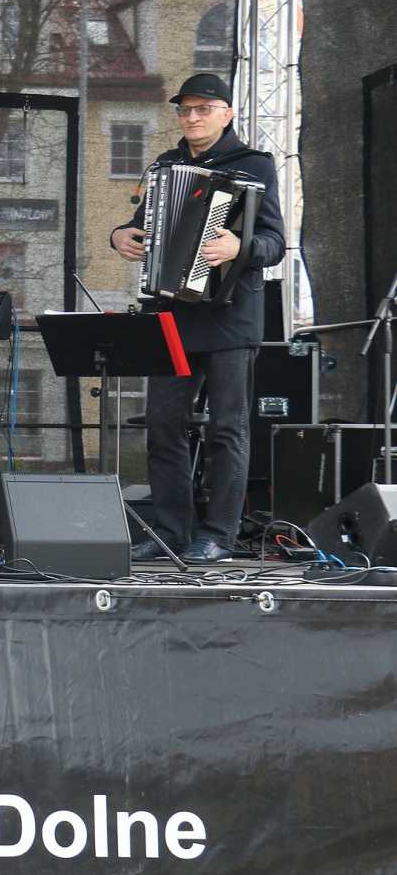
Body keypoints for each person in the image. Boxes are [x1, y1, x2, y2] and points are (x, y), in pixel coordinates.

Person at [110, 73, 285, 565]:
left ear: (226, 114)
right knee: (163, 425)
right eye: (185, 110)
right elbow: (142, 227)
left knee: (228, 428)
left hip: (230, 317)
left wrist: (238, 247)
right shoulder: (166, 167)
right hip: (173, 314)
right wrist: (119, 235)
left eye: (203, 109)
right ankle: (170, 532)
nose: (191, 118)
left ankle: (218, 536)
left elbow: (274, 243)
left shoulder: (254, 164)